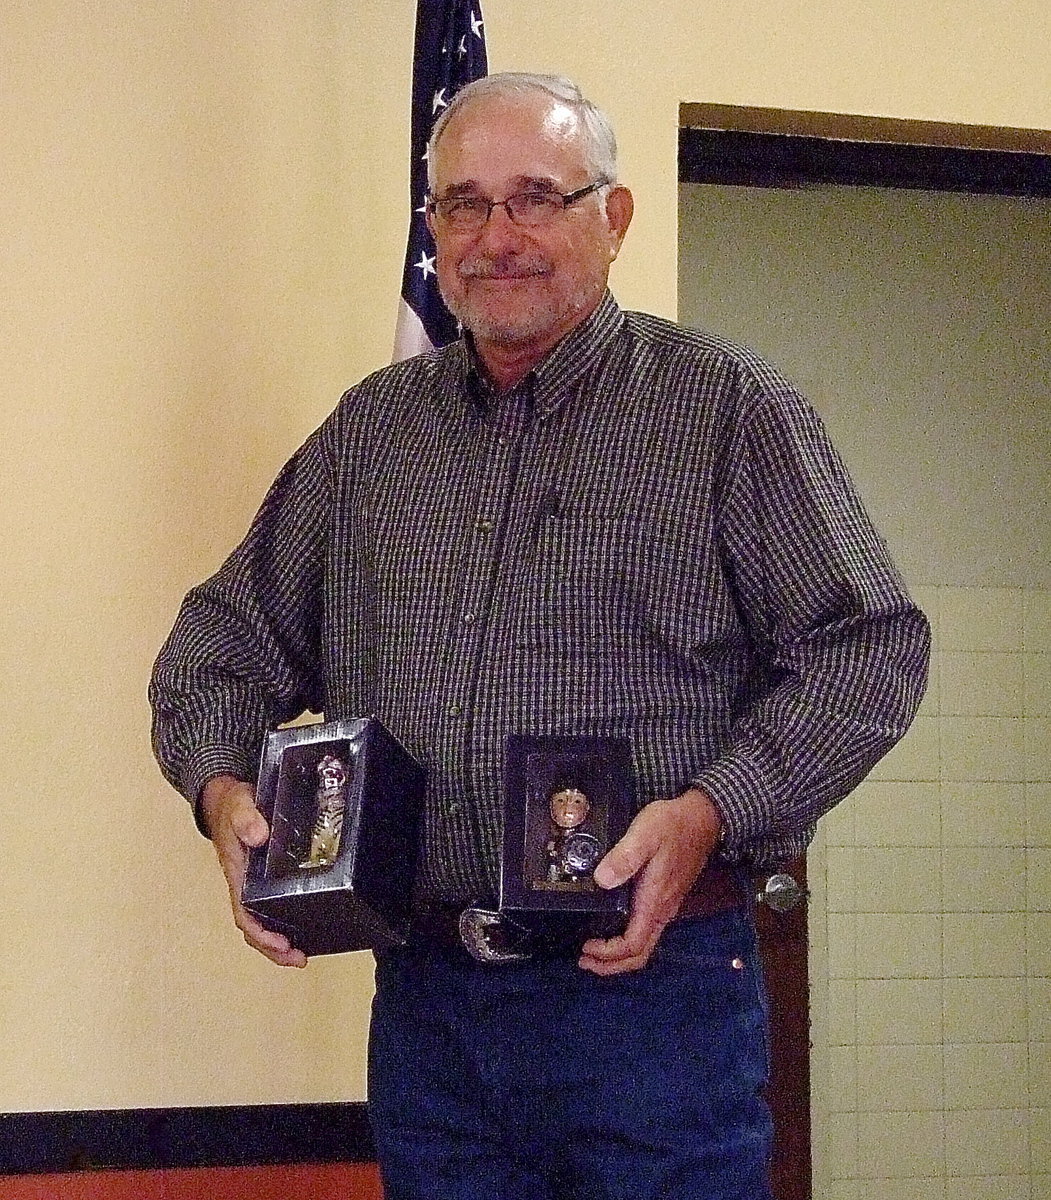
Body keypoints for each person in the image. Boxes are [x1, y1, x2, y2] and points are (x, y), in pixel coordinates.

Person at [151, 72, 930, 1199]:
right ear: (431, 233)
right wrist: (224, 795)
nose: (496, 237)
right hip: (431, 1013)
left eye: (535, 198)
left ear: (609, 219)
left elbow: (867, 649)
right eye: (463, 205)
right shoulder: (373, 434)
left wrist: (712, 810)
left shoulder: (723, 409)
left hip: (651, 999)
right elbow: (222, 641)